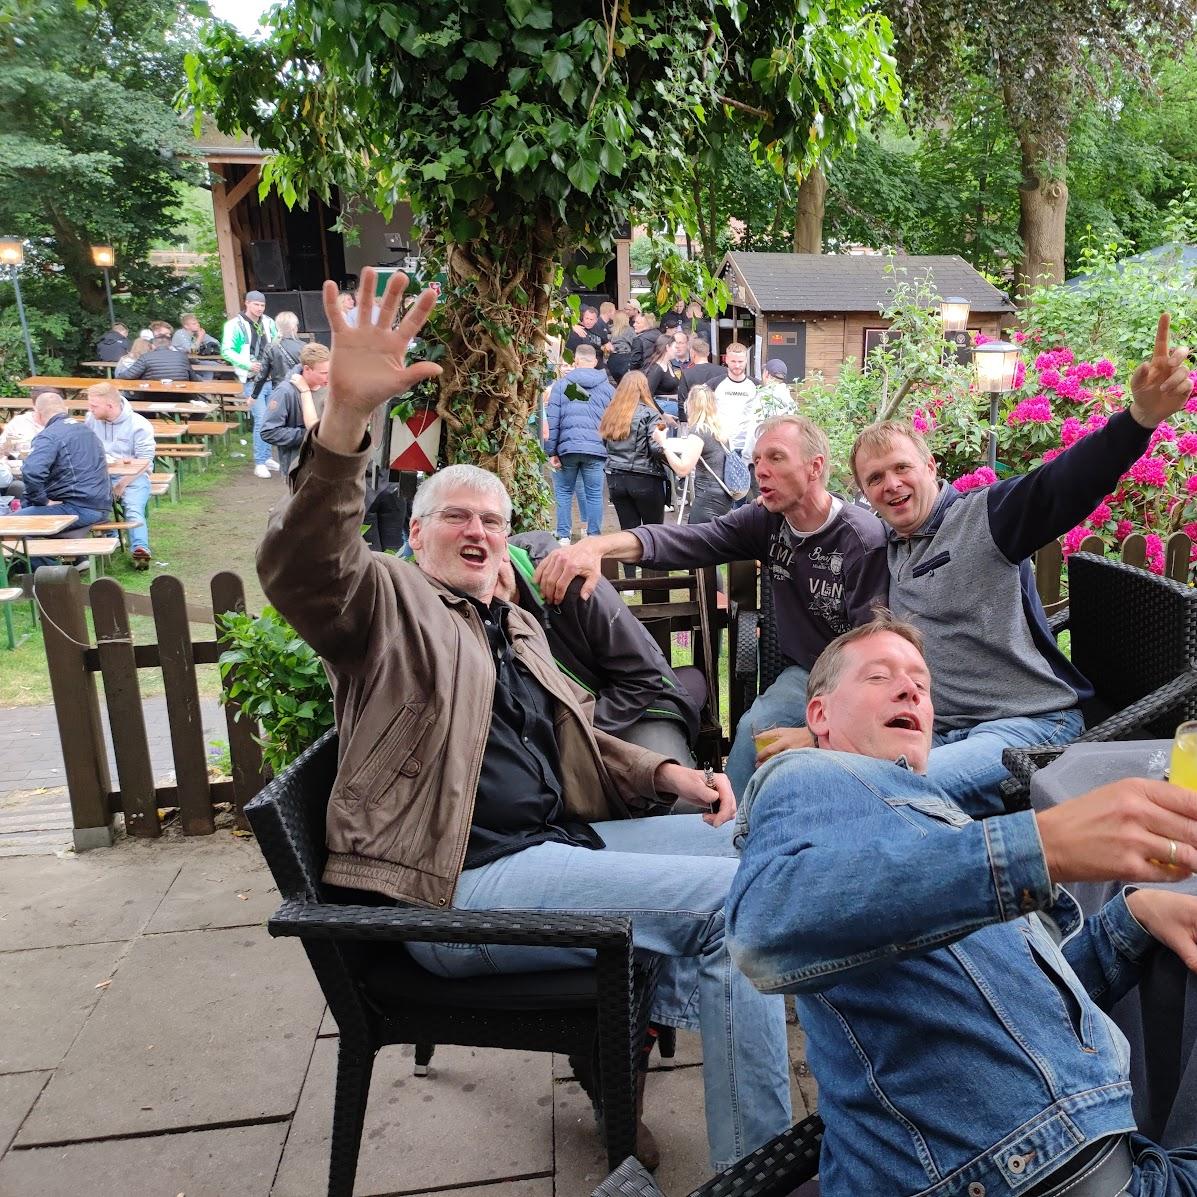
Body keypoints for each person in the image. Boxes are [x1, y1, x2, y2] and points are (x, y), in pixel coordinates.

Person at [256, 268, 794, 1173]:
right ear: (416, 534)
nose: (478, 532)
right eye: (455, 517)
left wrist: (670, 776)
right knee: (731, 908)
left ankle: (647, 1061)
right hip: (454, 894)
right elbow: (305, 563)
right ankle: (763, 1169)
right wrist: (345, 419)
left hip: (553, 848)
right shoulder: (387, 603)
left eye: (495, 521)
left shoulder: (505, 620)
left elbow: (579, 734)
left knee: (761, 858)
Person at [727, 612, 1197, 1197]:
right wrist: (1039, 846)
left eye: (922, 685)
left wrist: (1134, 919)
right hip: (1038, 1172)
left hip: (1078, 1156)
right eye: (879, 677)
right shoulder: (812, 776)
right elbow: (766, 925)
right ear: (818, 716)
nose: (910, 690)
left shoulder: (923, 826)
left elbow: (1018, 1006)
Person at [849, 312, 1193, 814]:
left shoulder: (985, 517)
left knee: (885, 798)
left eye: (902, 467)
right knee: (833, 774)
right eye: (875, 478)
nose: (892, 484)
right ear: (866, 496)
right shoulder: (893, 544)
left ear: (931, 468)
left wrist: (1139, 418)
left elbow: (1062, 486)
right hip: (941, 729)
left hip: (1025, 725)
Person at [536, 413, 890, 798]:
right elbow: (687, 540)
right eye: (756, 462)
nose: (760, 472)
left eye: (775, 458)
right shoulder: (766, 522)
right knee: (756, 729)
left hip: (856, 681)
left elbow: (875, 656)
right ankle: (728, 832)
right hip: (805, 673)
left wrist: (819, 730)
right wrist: (599, 545)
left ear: (814, 466)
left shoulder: (861, 539)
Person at [502, 531, 703, 763]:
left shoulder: (570, 581)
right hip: (559, 725)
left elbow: (642, 680)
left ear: (502, 539)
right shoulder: (464, 611)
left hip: (639, 709)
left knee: (674, 795)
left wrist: (572, 732)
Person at [543, 342, 612, 543]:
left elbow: (553, 420)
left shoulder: (563, 386)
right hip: (596, 449)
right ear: (596, 361)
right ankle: (593, 536)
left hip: (567, 447)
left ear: (576, 361)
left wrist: (551, 452)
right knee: (594, 494)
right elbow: (615, 419)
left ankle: (563, 535)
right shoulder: (607, 388)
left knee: (564, 492)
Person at [83, 382, 155, 569]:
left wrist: (122, 484)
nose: (89, 409)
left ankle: (140, 550)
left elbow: (146, 461)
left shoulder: (139, 424)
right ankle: (109, 539)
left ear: (110, 406)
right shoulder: (91, 420)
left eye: (94, 406)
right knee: (89, 503)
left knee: (132, 507)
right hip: (100, 476)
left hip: (133, 477)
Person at [19, 390, 111, 534]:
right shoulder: (86, 430)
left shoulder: (49, 436)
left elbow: (31, 472)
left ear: (37, 414)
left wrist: (42, 501)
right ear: (66, 409)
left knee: (8, 525)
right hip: (100, 505)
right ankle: (56, 555)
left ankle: (45, 557)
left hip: (77, 508)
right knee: (25, 504)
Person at [598, 370, 669, 536]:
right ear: (644, 389)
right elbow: (657, 448)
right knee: (654, 534)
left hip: (616, 478)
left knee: (628, 533)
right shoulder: (653, 415)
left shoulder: (610, 413)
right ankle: (652, 562)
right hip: (646, 477)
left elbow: (604, 442)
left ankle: (629, 563)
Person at [652, 384, 734, 525]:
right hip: (723, 496)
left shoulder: (699, 430)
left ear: (690, 405)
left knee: (695, 543)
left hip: (708, 499)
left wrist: (663, 443)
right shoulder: (717, 429)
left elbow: (683, 470)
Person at [221, 290, 279, 477]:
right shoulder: (234, 325)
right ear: (247, 303)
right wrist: (247, 364)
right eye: (256, 304)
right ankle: (259, 461)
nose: (260, 308)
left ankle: (267, 456)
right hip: (252, 379)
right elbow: (227, 350)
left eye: (262, 305)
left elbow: (276, 343)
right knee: (261, 418)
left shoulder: (269, 323)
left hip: (271, 377)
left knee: (271, 419)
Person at [259, 343, 331, 476]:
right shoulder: (286, 392)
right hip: (298, 469)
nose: (329, 377)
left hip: (328, 467)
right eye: (323, 373)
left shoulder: (331, 388)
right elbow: (268, 431)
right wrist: (309, 436)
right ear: (307, 369)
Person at [712, 342, 759, 462]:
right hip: (721, 446)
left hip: (748, 448)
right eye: (733, 361)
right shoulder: (714, 384)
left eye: (740, 361)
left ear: (746, 360)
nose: (737, 365)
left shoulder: (757, 386)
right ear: (726, 359)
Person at [114, 333, 195, 383]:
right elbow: (193, 377)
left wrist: (118, 376)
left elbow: (129, 375)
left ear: (152, 345)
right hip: (181, 395)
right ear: (170, 346)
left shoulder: (146, 357)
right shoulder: (182, 356)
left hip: (152, 395)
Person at [258, 311, 306, 391]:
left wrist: (254, 395)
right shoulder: (304, 346)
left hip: (279, 390)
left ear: (277, 327)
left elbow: (262, 374)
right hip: (299, 389)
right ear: (294, 327)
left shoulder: (270, 347)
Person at [642, 333, 682, 420]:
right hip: (663, 410)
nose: (677, 350)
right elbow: (648, 395)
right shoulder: (656, 369)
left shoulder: (669, 364)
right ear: (667, 347)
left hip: (672, 409)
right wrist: (662, 414)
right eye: (675, 347)